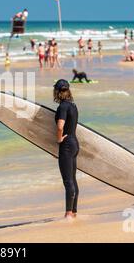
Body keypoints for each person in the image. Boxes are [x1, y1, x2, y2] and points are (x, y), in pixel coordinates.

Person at [54, 79, 79, 219]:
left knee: (67, 181)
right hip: (74, 143)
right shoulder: (73, 105)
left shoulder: (63, 106)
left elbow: (60, 126)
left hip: (67, 146)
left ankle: (68, 214)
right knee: (73, 180)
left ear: (57, 91)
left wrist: (58, 139)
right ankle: (73, 211)